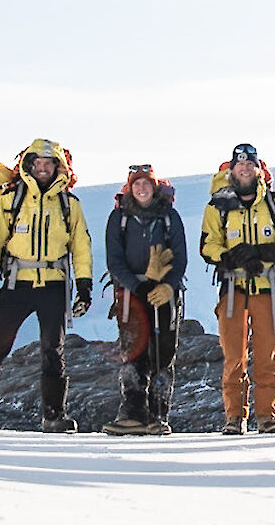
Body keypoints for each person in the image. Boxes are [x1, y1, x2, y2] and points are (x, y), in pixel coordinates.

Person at [0, 138, 94, 433]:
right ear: (29, 166)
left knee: (53, 350)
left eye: (48, 164)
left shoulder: (69, 205)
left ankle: (54, 416)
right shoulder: (11, 200)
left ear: (58, 167)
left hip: (54, 285)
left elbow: (81, 246)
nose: (43, 169)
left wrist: (84, 286)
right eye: (38, 164)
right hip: (17, 283)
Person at [200, 143, 275, 435]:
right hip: (232, 290)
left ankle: (267, 416)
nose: (244, 168)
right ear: (231, 169)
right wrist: (231, 257)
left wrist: (261, 254)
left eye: (249, 163)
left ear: (258, 169)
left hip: (265, 289)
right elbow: (208, 245)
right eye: (239, 163)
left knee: (268, 355)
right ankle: (234, 417)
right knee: (234, 357)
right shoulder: (216, 207)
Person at [100, 164, 187, 436]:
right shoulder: (119, 218)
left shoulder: (169, 216)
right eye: (136, 184)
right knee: (133, 352)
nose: (141, 189)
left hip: (165, 292)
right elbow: (114, 259)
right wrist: (134, 286)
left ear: (154, 187)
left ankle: (158, 414)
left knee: (163, 352)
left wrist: (169, 285)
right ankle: (133, 412)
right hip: (131, 293)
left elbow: (180, 256)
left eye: (146, 184)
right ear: (129, 188)